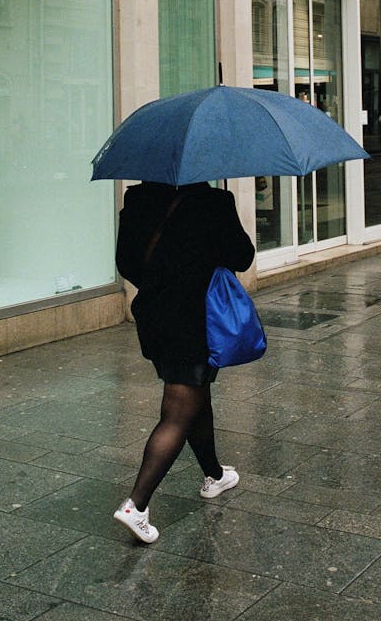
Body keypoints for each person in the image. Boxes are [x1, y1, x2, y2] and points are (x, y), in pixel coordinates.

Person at [113, 179, 255, 544]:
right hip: (197, 320)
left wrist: (162, 281)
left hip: (155, 317)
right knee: (177, 412)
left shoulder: (138, 198)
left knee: (194, 393)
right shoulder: (214, 201)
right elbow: (243, 256)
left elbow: (126, 262)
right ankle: (137, 505)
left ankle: (214, 474)